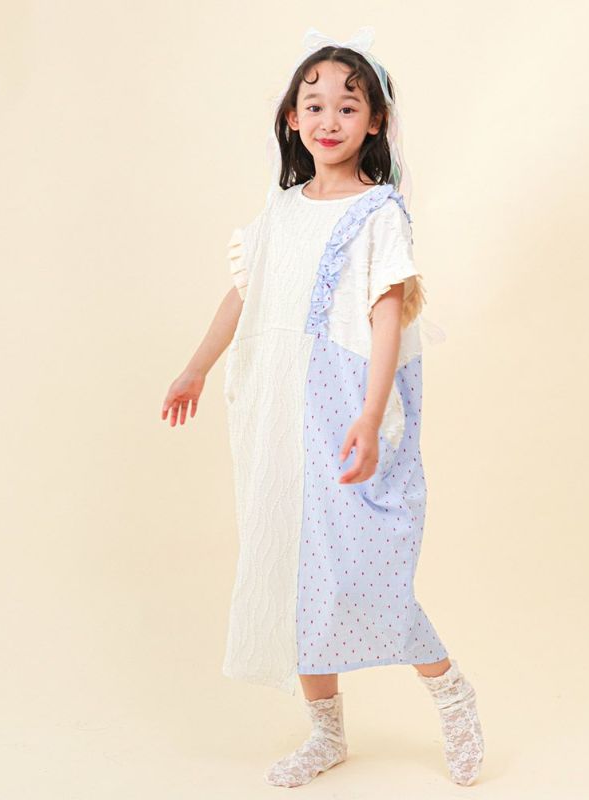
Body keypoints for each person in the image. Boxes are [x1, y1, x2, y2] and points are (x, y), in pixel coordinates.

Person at [161, 26, 485, 788]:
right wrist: (196, 368)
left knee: (367, 570)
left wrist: (370, 416)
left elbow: (385, 313)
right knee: (296, 570)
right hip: (281, 410)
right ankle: (327, 732)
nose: (329, 118)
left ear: (375, 122)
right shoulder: (279, 211)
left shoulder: (377, 213)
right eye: (314, 105)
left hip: (343, 406)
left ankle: (452, 693)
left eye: (348, 105)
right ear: (290, 118)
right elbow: (243, 295)